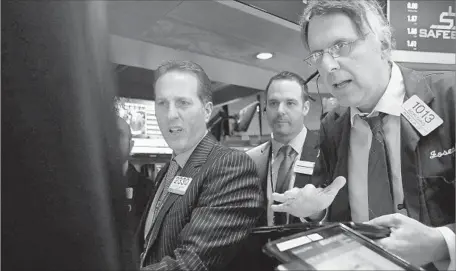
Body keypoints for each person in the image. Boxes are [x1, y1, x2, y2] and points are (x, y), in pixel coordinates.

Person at [271, 0, 455, 268]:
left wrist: (442, 243)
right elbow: (332, 210)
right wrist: (315, 211)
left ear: (384, 44)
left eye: (340, 46)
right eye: (317, 54)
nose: (328, 65)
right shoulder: (333, 126)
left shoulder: (448, 100)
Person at [136, 60, 264, 271]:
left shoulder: (230, 166)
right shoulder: (168, 172)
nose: (170, 115)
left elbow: (191, 263)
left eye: (183, 103)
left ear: (206, 111)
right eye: (162, 103)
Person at [247, 71, 321, 226]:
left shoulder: (328, 151)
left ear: (305, 108)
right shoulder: (249, 159)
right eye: (273, 103)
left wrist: (315, 212)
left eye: (290, 103)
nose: (280, 110)